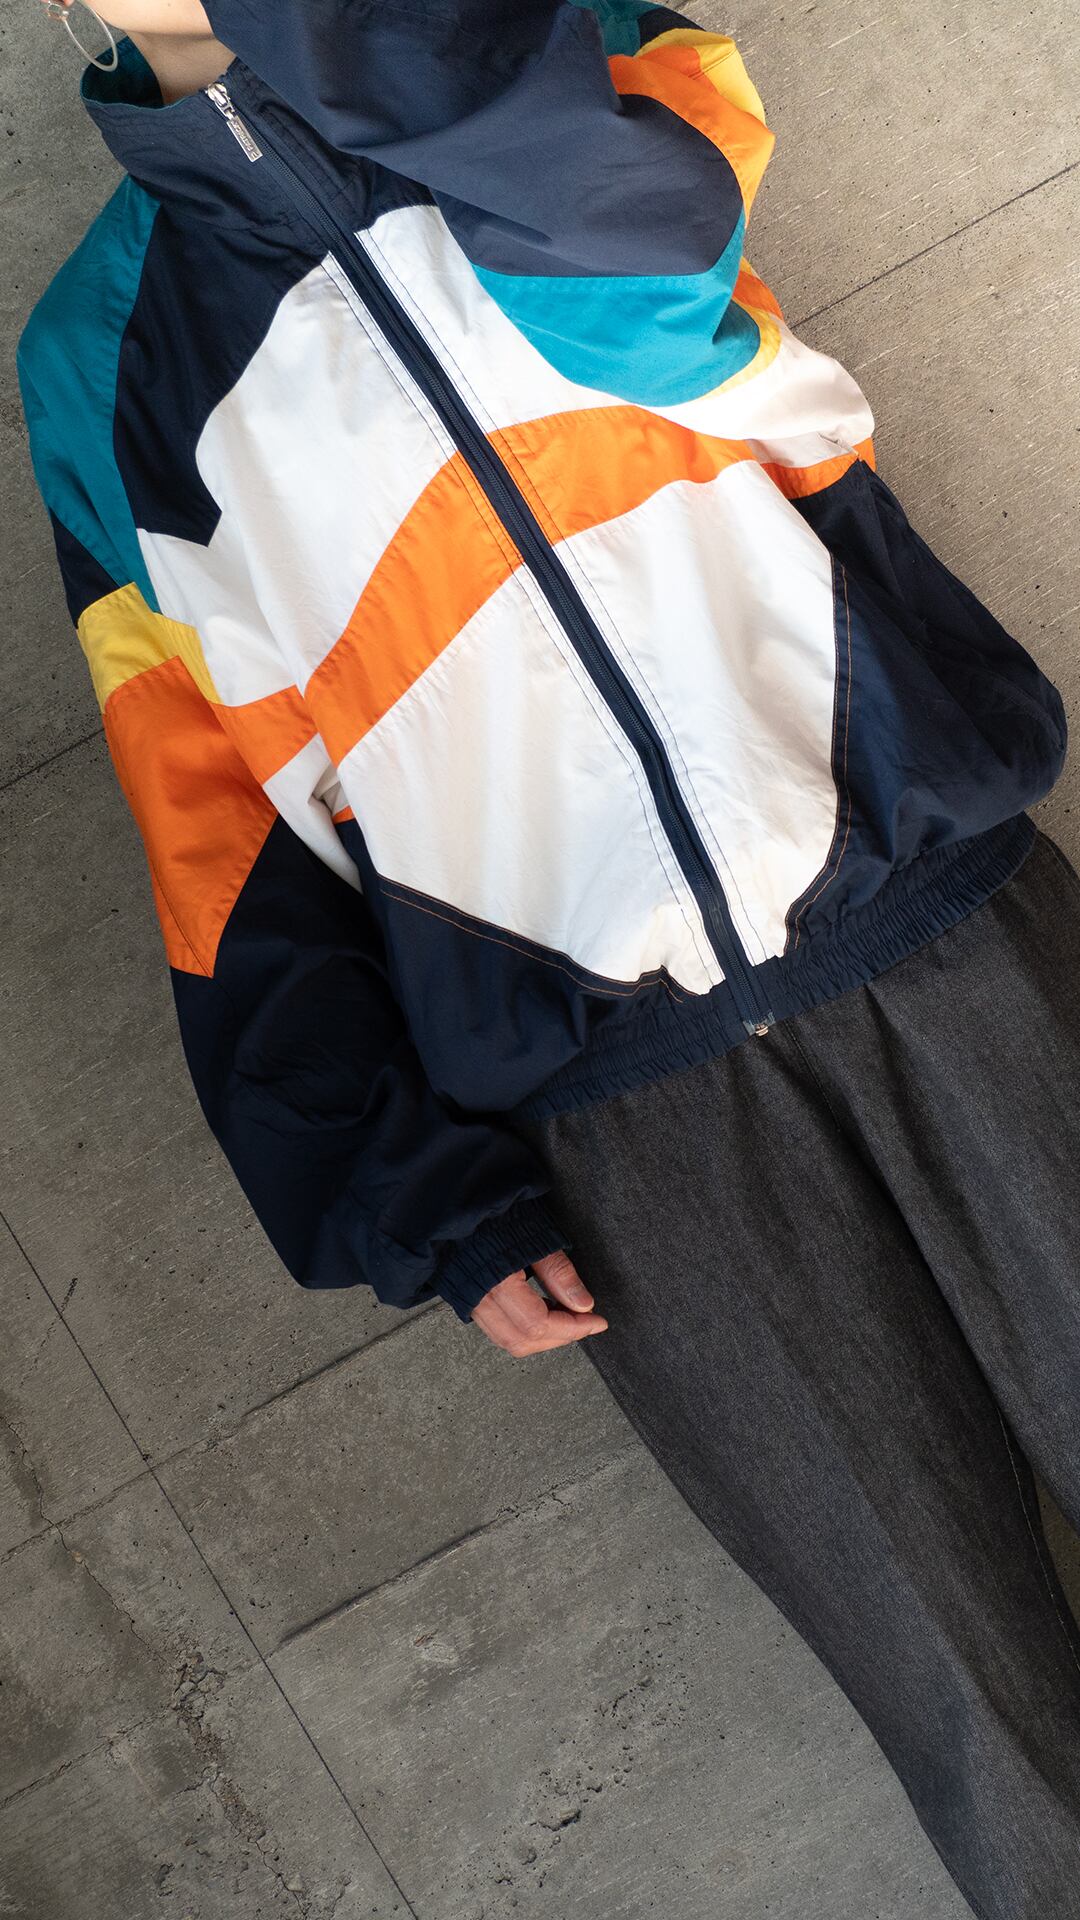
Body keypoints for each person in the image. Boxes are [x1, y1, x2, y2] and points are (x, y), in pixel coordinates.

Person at [16, 1, 1080, 1912]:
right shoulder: (97, 358)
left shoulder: (556, 39)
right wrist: (418, 1200)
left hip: (950, 942)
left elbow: (658, 262)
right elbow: (216, 835)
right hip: (628, 1140)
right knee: (983, 1738)